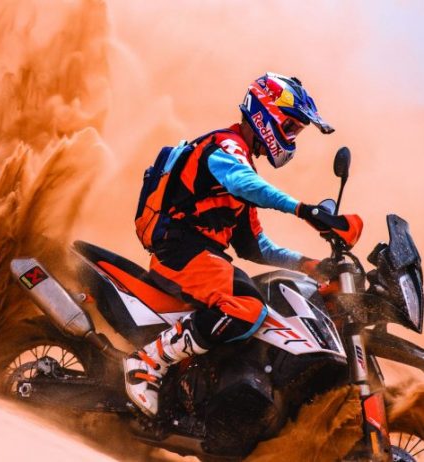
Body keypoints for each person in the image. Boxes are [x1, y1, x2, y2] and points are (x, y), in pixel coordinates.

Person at [124, 72, 345, 417]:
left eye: (296, 132)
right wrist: (302, 209)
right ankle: (147, 361)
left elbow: (255, 246)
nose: (291, 139)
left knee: (261, 303)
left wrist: (305, 264)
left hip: (202, 257)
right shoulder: (226, 148)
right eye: (289, 127)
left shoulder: (241, 167)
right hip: (180, 251)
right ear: (265, 114)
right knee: (247, 307)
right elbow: (246, 184)